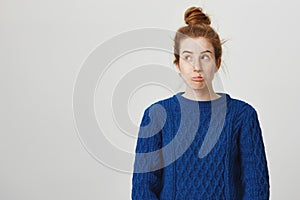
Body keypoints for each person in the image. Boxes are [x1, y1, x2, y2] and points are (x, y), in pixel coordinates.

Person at [131, 6, 270, 200]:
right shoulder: (156, 115)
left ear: (217, 63)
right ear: (178, 64)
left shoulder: (242, 115)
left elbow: (256, 186)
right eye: (188, 57)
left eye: (205, 57)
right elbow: (142, 189)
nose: (197, 67)